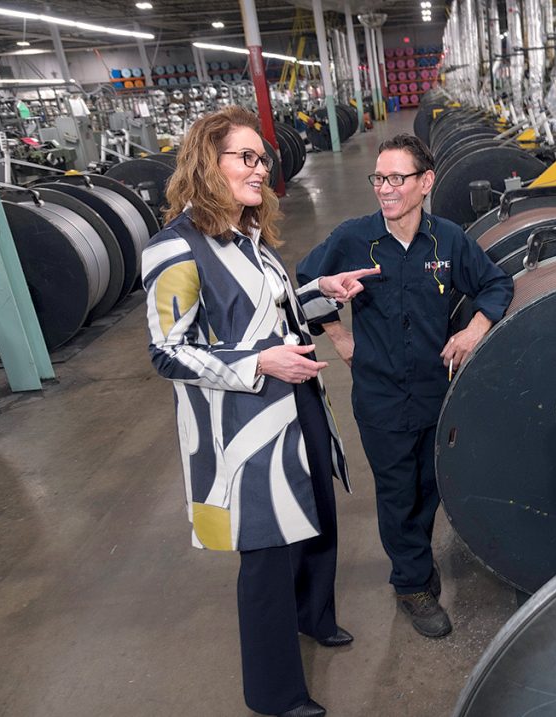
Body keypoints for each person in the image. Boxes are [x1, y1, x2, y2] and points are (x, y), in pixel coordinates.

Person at [142, 106, 379, 717]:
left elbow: (272, 316)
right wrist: (260, 364)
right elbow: (169, 353)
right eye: (245, 157)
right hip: (242, 425)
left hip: (296, 399)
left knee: (320, 512)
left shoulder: (249, 235)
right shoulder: (175, 250)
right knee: (267, 554)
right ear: (206, 163)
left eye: (261, 158)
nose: (259, 168)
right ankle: (275, 695)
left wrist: (318, 294)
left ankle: (314, 616)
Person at [296, 134, 513, 638]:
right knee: (396, 491)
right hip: (380, 394)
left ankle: (413, 556)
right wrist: (338, 335)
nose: (386, 189)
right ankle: (412, 583)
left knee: (430, 483)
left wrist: (473, 329)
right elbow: (304, 285)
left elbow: (495, 283)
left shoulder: (448, 241)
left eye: (397, 178)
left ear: (425, 183)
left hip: (437, 390)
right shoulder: (354, 239)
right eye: (379, 178)